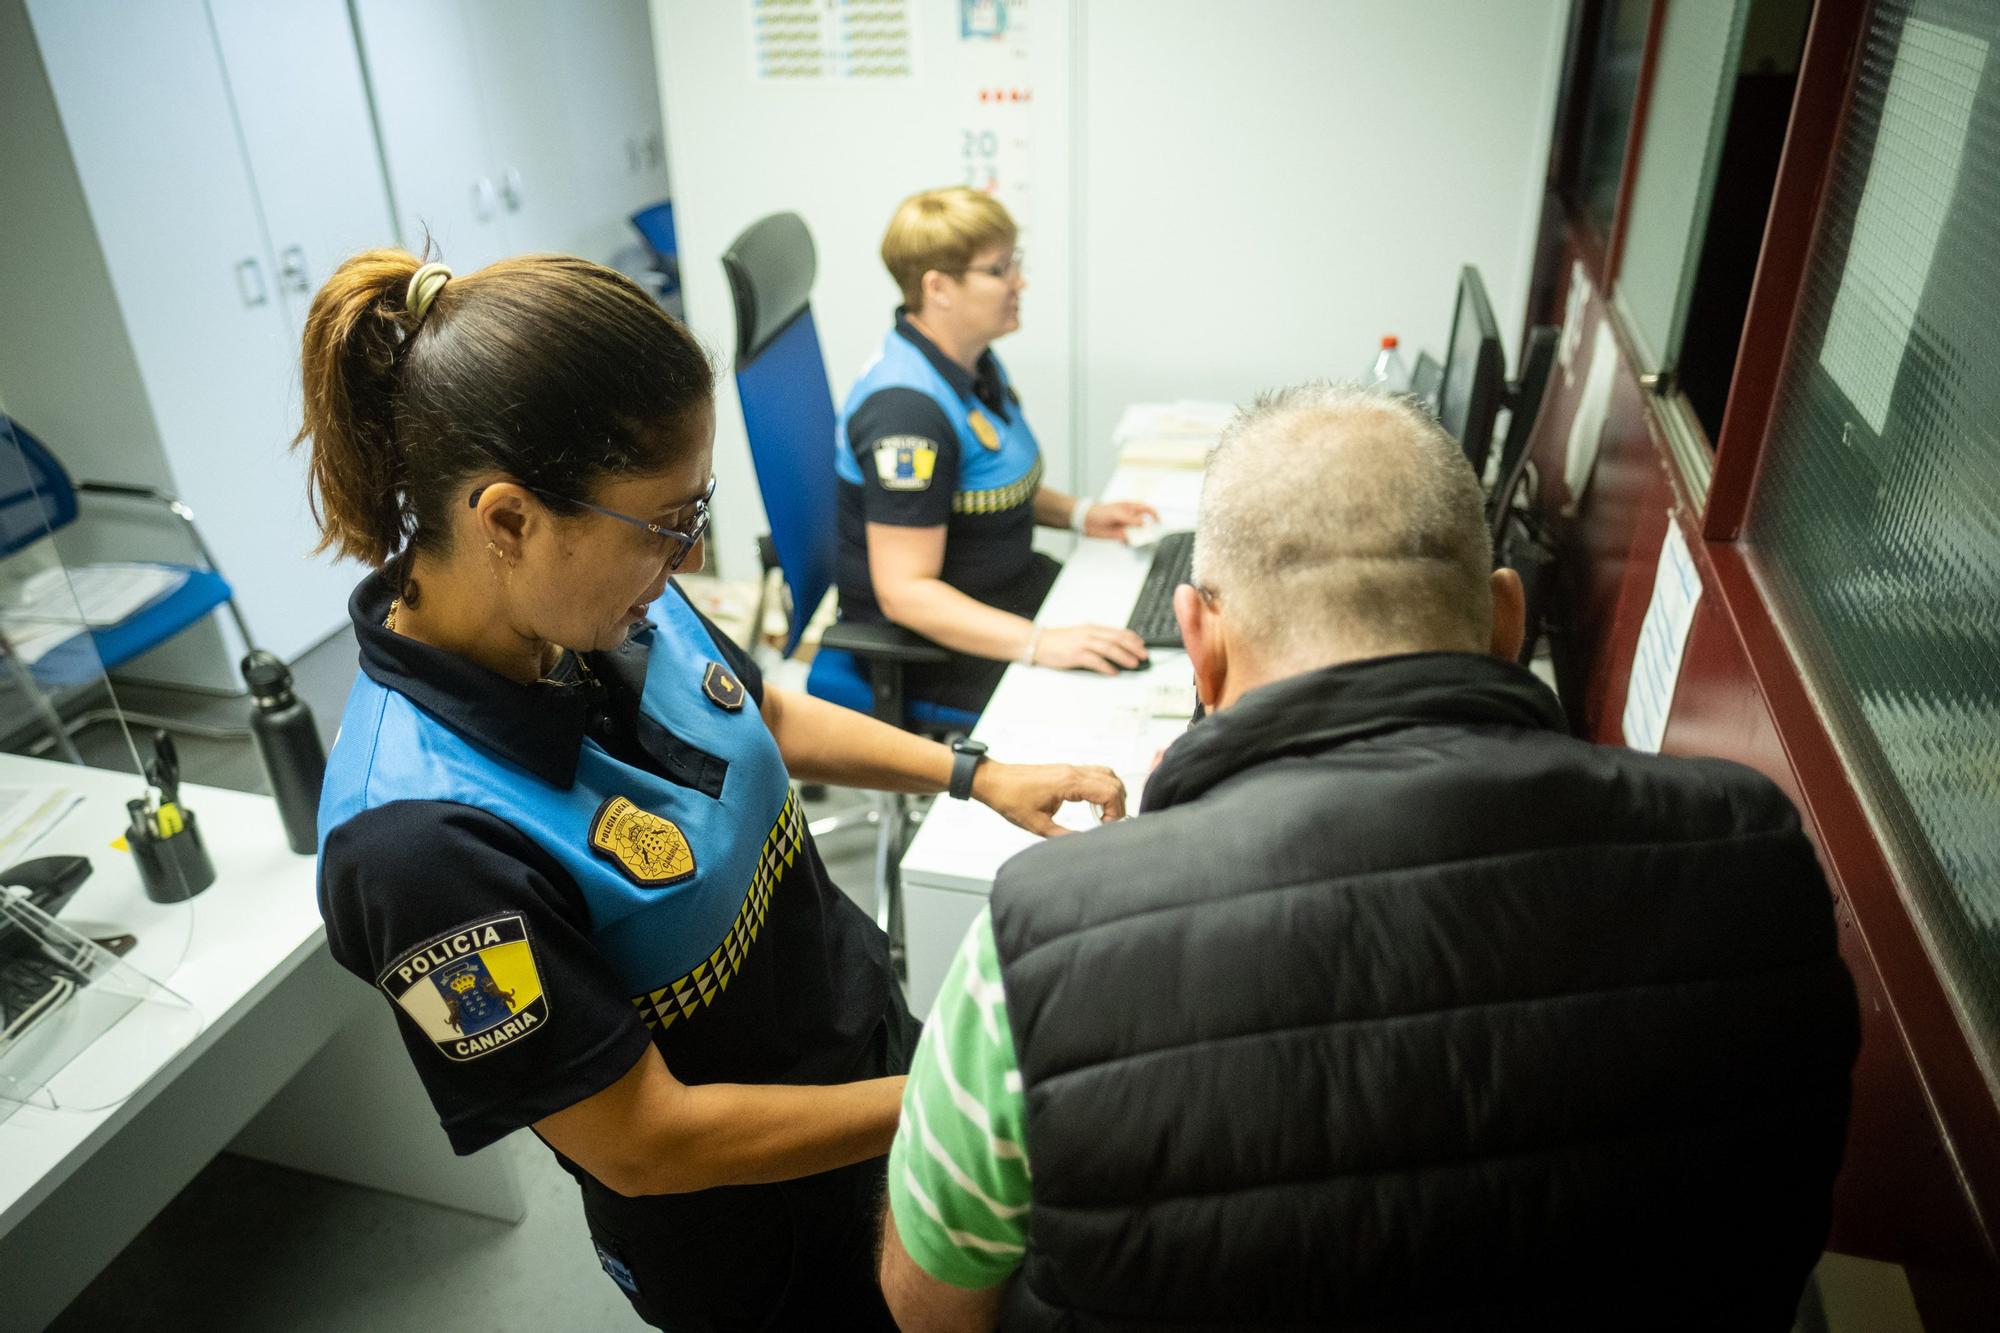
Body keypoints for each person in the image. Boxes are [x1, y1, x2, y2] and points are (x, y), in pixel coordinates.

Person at [878, 382, 1860, 1330]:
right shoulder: (1760, 861)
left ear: (1199, 642)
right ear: (1504, 621)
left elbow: (926, 1306)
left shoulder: (1036, 945)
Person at [298, 249, 1128, 1330]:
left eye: (699, 512)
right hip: (761, 1229)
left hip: (866, 1056)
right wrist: (971, 1103)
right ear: (507, 521)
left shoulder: (595, 602)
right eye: (665, 525)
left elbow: (751, 710)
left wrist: (973, 773)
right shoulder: (415, 843)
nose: (684, 559)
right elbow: (647, 1142)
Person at [834, 186, 1156, 715]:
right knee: (1127, 697)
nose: (1019, 282)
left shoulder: (967, 362)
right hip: (936, 652)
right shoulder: (907, 416)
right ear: (938, 287)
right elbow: (905, 592)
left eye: (1015, 263)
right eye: (999, 269)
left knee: (1147, 623)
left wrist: (1080, 514)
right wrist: (1042, 643)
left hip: (1004, 595)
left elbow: (985, 479)